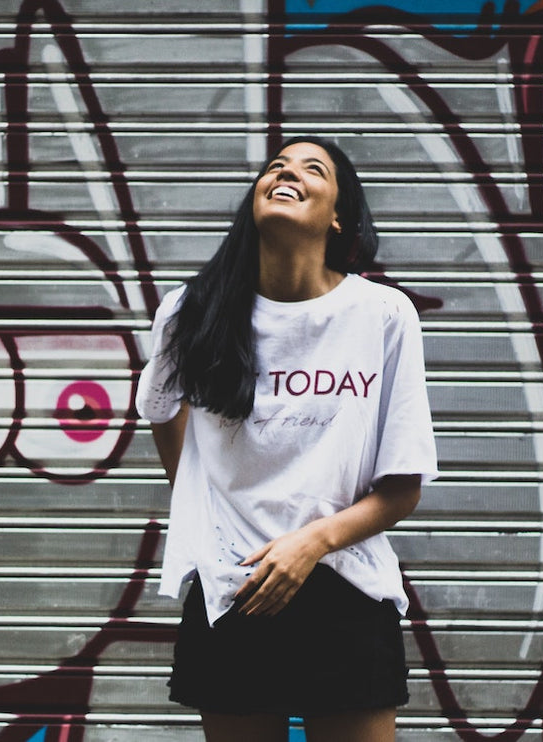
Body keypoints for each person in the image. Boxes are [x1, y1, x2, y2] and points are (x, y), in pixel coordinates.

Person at [135, 136, 438, 741]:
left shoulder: (382, 314)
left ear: (338, 216)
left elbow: (403, 488)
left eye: (311, 169)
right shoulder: (192, 311)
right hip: (235, 588)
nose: (286, 174)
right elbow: (161, 410)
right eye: (276, 166)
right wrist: (208, 509)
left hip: (346, 586)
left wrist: (310, 544)